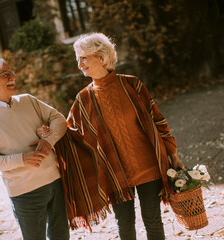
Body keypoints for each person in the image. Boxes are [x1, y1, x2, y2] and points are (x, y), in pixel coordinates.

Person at [45, 33, 184, 240]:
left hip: (148, 166)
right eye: (78, 60)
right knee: (125, 226)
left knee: (153, 220)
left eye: (83, 58)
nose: (79, 64)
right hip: (115, 173)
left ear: (101, 57)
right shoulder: (83, 99)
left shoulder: (132, 85)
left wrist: (173, 154)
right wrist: (50, 134)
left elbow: (158, 120)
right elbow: (70, 133)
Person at [0, 58, 69, 240]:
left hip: (55, 182)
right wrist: (22, 159)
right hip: (25, 194)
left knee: (62, 237)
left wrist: (49, 140)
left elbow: (59, 119)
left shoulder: (28, 100)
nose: (12, 77)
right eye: (5, 74)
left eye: (12, 73)